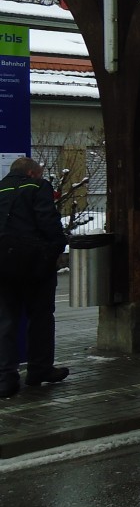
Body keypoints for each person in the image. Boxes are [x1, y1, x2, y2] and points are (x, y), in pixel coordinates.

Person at [0, 157, 69, 398]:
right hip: (34, 264)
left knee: (6, 321)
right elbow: (47, 220)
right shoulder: (38, 187)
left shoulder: (0, 188)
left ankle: (6, 379)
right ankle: (39, 370)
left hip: (3, 264)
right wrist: (58, 245)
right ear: (31, 173)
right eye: (38, 173)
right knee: (40, 317)